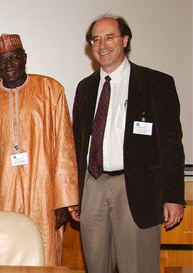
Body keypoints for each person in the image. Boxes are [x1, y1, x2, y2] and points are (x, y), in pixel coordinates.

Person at [71, 15, 185, 273]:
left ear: (125, 39)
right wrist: (75, 193)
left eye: (110, 37)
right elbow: (78, 144)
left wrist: (173, 196)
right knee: (96, 266)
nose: (103, 45)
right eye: (96, 39)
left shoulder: (157, 84)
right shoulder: (85, 88)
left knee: (138, 267)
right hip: (93, 186)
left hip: (137, 188)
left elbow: (170, 144)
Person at [0, 34, 78, 266]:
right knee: (4, 254)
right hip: (0, 194)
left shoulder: (51, 90)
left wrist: (64, 199)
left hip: (45, 193)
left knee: (45, 253)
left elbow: (64, 146)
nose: (8, 65)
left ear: (24, 58)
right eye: (1, 60)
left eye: (13, 58)